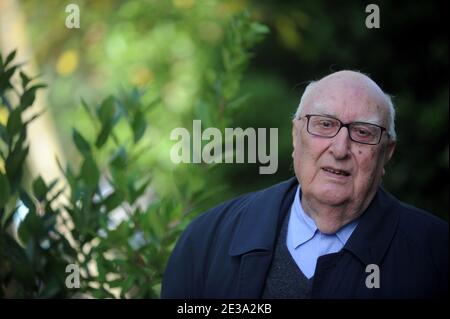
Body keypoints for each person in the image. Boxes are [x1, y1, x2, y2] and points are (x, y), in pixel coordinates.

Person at [161, 70, 448, 299]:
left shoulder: (435, 254)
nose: (340, 149)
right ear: (296, 135)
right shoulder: (206, 240)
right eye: (324, 124)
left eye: (362, 132)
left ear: (386, 152)